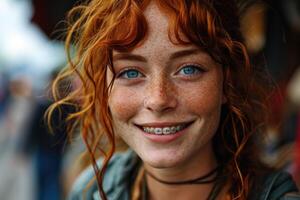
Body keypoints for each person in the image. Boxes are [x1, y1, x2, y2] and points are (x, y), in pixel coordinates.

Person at [48, 0, 300, 199]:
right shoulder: (92, 189)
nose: (158, 99)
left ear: (227, 81)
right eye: (131, 72)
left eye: (188, 69)